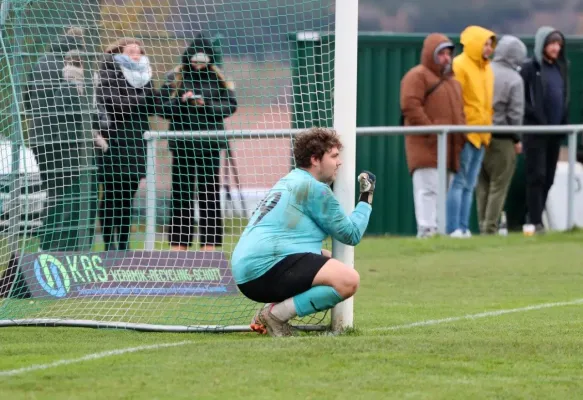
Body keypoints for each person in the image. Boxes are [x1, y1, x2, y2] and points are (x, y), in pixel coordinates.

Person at [230, 128, 376, 337]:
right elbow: (351, 234)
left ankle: (271, 313)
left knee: (329, 259)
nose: (339, 162)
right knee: (348, 280)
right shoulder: (312, 188)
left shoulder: (290, 180)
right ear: (315, 159)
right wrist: (366, 197)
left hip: (248, 271)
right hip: (264, 268)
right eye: (334, 156)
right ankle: (275, 315)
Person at [160, 33, 237, 252]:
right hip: (182, 146)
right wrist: (182, 102)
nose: (198, 64)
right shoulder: (175, 77)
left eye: (203, 60)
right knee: (181, 195)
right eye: (195, 59)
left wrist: (207, 105)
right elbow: (162, 108)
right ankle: (179, 243)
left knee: (209, 195)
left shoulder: (219, 79)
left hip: (209, 147)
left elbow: (231, 106)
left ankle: (210, 244)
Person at [26, 26, 93, 251]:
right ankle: (61, 245)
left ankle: (47, 242)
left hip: (39, 136)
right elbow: (72, 105)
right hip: (65, 139)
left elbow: (27, 98)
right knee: (68, 192)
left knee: (52, 191)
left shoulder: (40, 63)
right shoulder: (69, 68)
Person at [95, 38, 161, 251]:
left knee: (127, 197)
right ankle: (109, 245)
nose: (136, 54)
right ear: (119, 53)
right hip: (113, 142)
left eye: (139, 51)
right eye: (131, 50)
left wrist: (165, 97)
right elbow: (109, 100)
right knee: (111, 195)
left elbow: (153, 106)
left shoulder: (146, 76)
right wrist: (141, 99)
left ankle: (123, 244)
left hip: (136, 143)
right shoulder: (108, 71)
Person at [401, 33, 466, 238]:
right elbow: (410, 105)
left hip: (449, 149)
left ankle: (437, 231)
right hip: (426, 146)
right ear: (431, 54)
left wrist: (460, 135)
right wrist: (431, 130)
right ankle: (427, 230)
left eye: (449, 53)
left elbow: (460, 113)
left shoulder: (453, 82)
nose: (446, 58)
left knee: (442, 192)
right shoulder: (417, 75)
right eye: (442, 53)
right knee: (428, 191)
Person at [446, 26, 496, 238]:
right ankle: (452, 228)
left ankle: (464, 228)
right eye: (485, 43)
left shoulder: (487, 68)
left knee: (470, 184)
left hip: (482, 134)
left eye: (491, 44)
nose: (489, 48)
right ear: (475, 43)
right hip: (466, 133)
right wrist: (463, 130)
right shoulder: (459, 65)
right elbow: (457, 101)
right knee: (459, 182)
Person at [476, 35, 526, 234]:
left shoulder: (483, 70)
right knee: (499, 186)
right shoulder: (514, 79)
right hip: (503, 138)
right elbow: (516, 114)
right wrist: (517, 138)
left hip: (478, 136)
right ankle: (490, 228)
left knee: (482, 186)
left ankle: (481, 225)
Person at [521, 27, 569, 234]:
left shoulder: (562, 67)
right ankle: (535, 221)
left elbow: (564, 97)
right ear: (542, 44)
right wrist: (534, 116)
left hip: (555, 133)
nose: (556, 48)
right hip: (535, 132)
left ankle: (534, 216)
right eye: (552, 43)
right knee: (537, 176)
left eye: (558, 44)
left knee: (549, 177)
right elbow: (521, 99)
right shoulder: (529, 68)